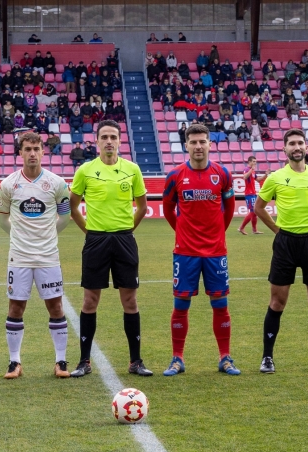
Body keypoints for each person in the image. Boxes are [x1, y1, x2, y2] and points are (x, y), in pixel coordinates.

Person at [253, 128, 308, 374]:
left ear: (306, 147)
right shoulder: (275, 178)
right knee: (277, 301)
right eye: (291, 143)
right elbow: (259, 208)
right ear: (284, 149)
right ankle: (267, 358)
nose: (296, 147)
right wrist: (277, 231)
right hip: (285, 244)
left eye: (300, 143)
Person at [68, 120, 152, 378]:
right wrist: (91, 232)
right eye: (103, 137)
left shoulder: (132, 169)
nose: (108, 141)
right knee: (90, 301)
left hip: (124, 240)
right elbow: (73, 207)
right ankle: (84, 361)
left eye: (113, 137)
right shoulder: (85, 170)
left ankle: (135, 361)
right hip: (96, 241)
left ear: (119, 140)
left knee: (130, 300)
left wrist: (126, 230)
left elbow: (142, 206)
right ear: (96, 141)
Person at [161, 124, 240, 377]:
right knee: (180, 304)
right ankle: (177, 359)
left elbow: (229, 209)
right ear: (186, 145)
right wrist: (183, 233)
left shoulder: (223, 174)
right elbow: (167, 210)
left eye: (202, 141)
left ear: (209, 144)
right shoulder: (175, 176)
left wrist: (218, 234)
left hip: (216, 252)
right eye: (193, 142)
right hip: (185, 252)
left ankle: (225, 358)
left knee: (220, 303)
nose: (198, 146)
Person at [0, 132, 72, 379]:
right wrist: (19, 237)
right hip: (19, 257)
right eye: (27, 149)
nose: (32, 153)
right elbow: (2, 219)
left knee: (56, 305)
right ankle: (14, 362)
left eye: (36, 149)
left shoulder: (58, 183)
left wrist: (48, 235)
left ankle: (60, 361)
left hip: (48, 256)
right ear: (20, 153)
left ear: (43, 151)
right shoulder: (8, 185)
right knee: (16, 307)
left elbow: (65, 216)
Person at [238, 156, 269, 235]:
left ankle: (254, 230)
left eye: (256, 161)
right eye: (254, 161)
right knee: (252, 211)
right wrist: (251, 169)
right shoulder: (247, 169)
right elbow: (245, 177)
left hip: (253, 193)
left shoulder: (253, 171)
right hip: (249, 194)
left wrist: (265, 175)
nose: (255, 163)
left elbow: (258, 180)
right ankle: (241, 228)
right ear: (249, 162)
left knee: (255, 213)